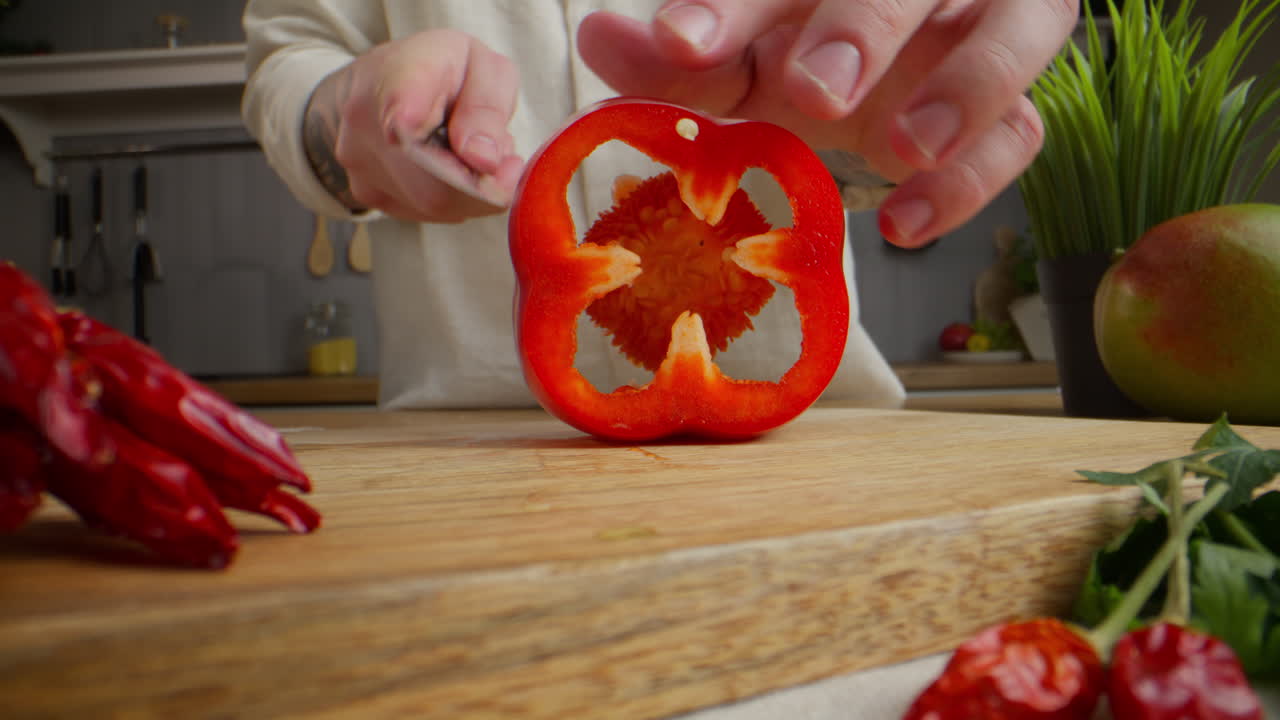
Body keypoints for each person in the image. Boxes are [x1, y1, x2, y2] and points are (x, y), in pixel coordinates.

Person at [241, 1, 1078, 411]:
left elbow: (843, 131)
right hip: (471, 445)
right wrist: (347, 111)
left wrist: (899, 116)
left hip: (812, 440)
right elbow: (290, 57)